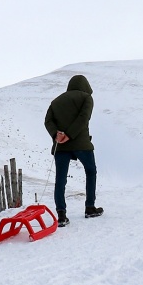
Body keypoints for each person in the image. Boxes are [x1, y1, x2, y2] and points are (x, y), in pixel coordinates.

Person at [46, 74, 102, 225]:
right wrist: (69, 135)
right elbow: (84, 118)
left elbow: (48, 121)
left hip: (61, 146)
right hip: (81, 144)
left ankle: (61, 215)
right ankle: (90, 207)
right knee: (90, 171)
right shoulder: (86, 98)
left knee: (60, 180)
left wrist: (56, 134)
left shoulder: (56, 101)